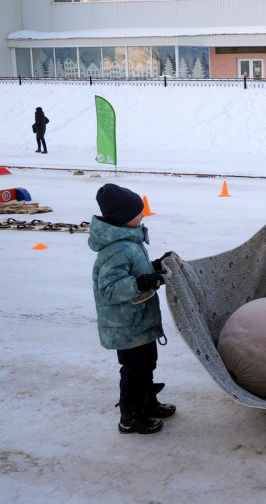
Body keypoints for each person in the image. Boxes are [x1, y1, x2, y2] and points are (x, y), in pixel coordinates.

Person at [89, 183, 176, 434]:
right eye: (139, 212)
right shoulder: (115, 250)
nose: (143, 215)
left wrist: (157, 266)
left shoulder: (129, 240)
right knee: (134, 370)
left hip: (139, 322)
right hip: (126, 326)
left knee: (147, 364)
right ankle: (130, 415)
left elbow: (138, 269)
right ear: (124, 218)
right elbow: (109, 288)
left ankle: (147, 403)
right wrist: (141, 283)